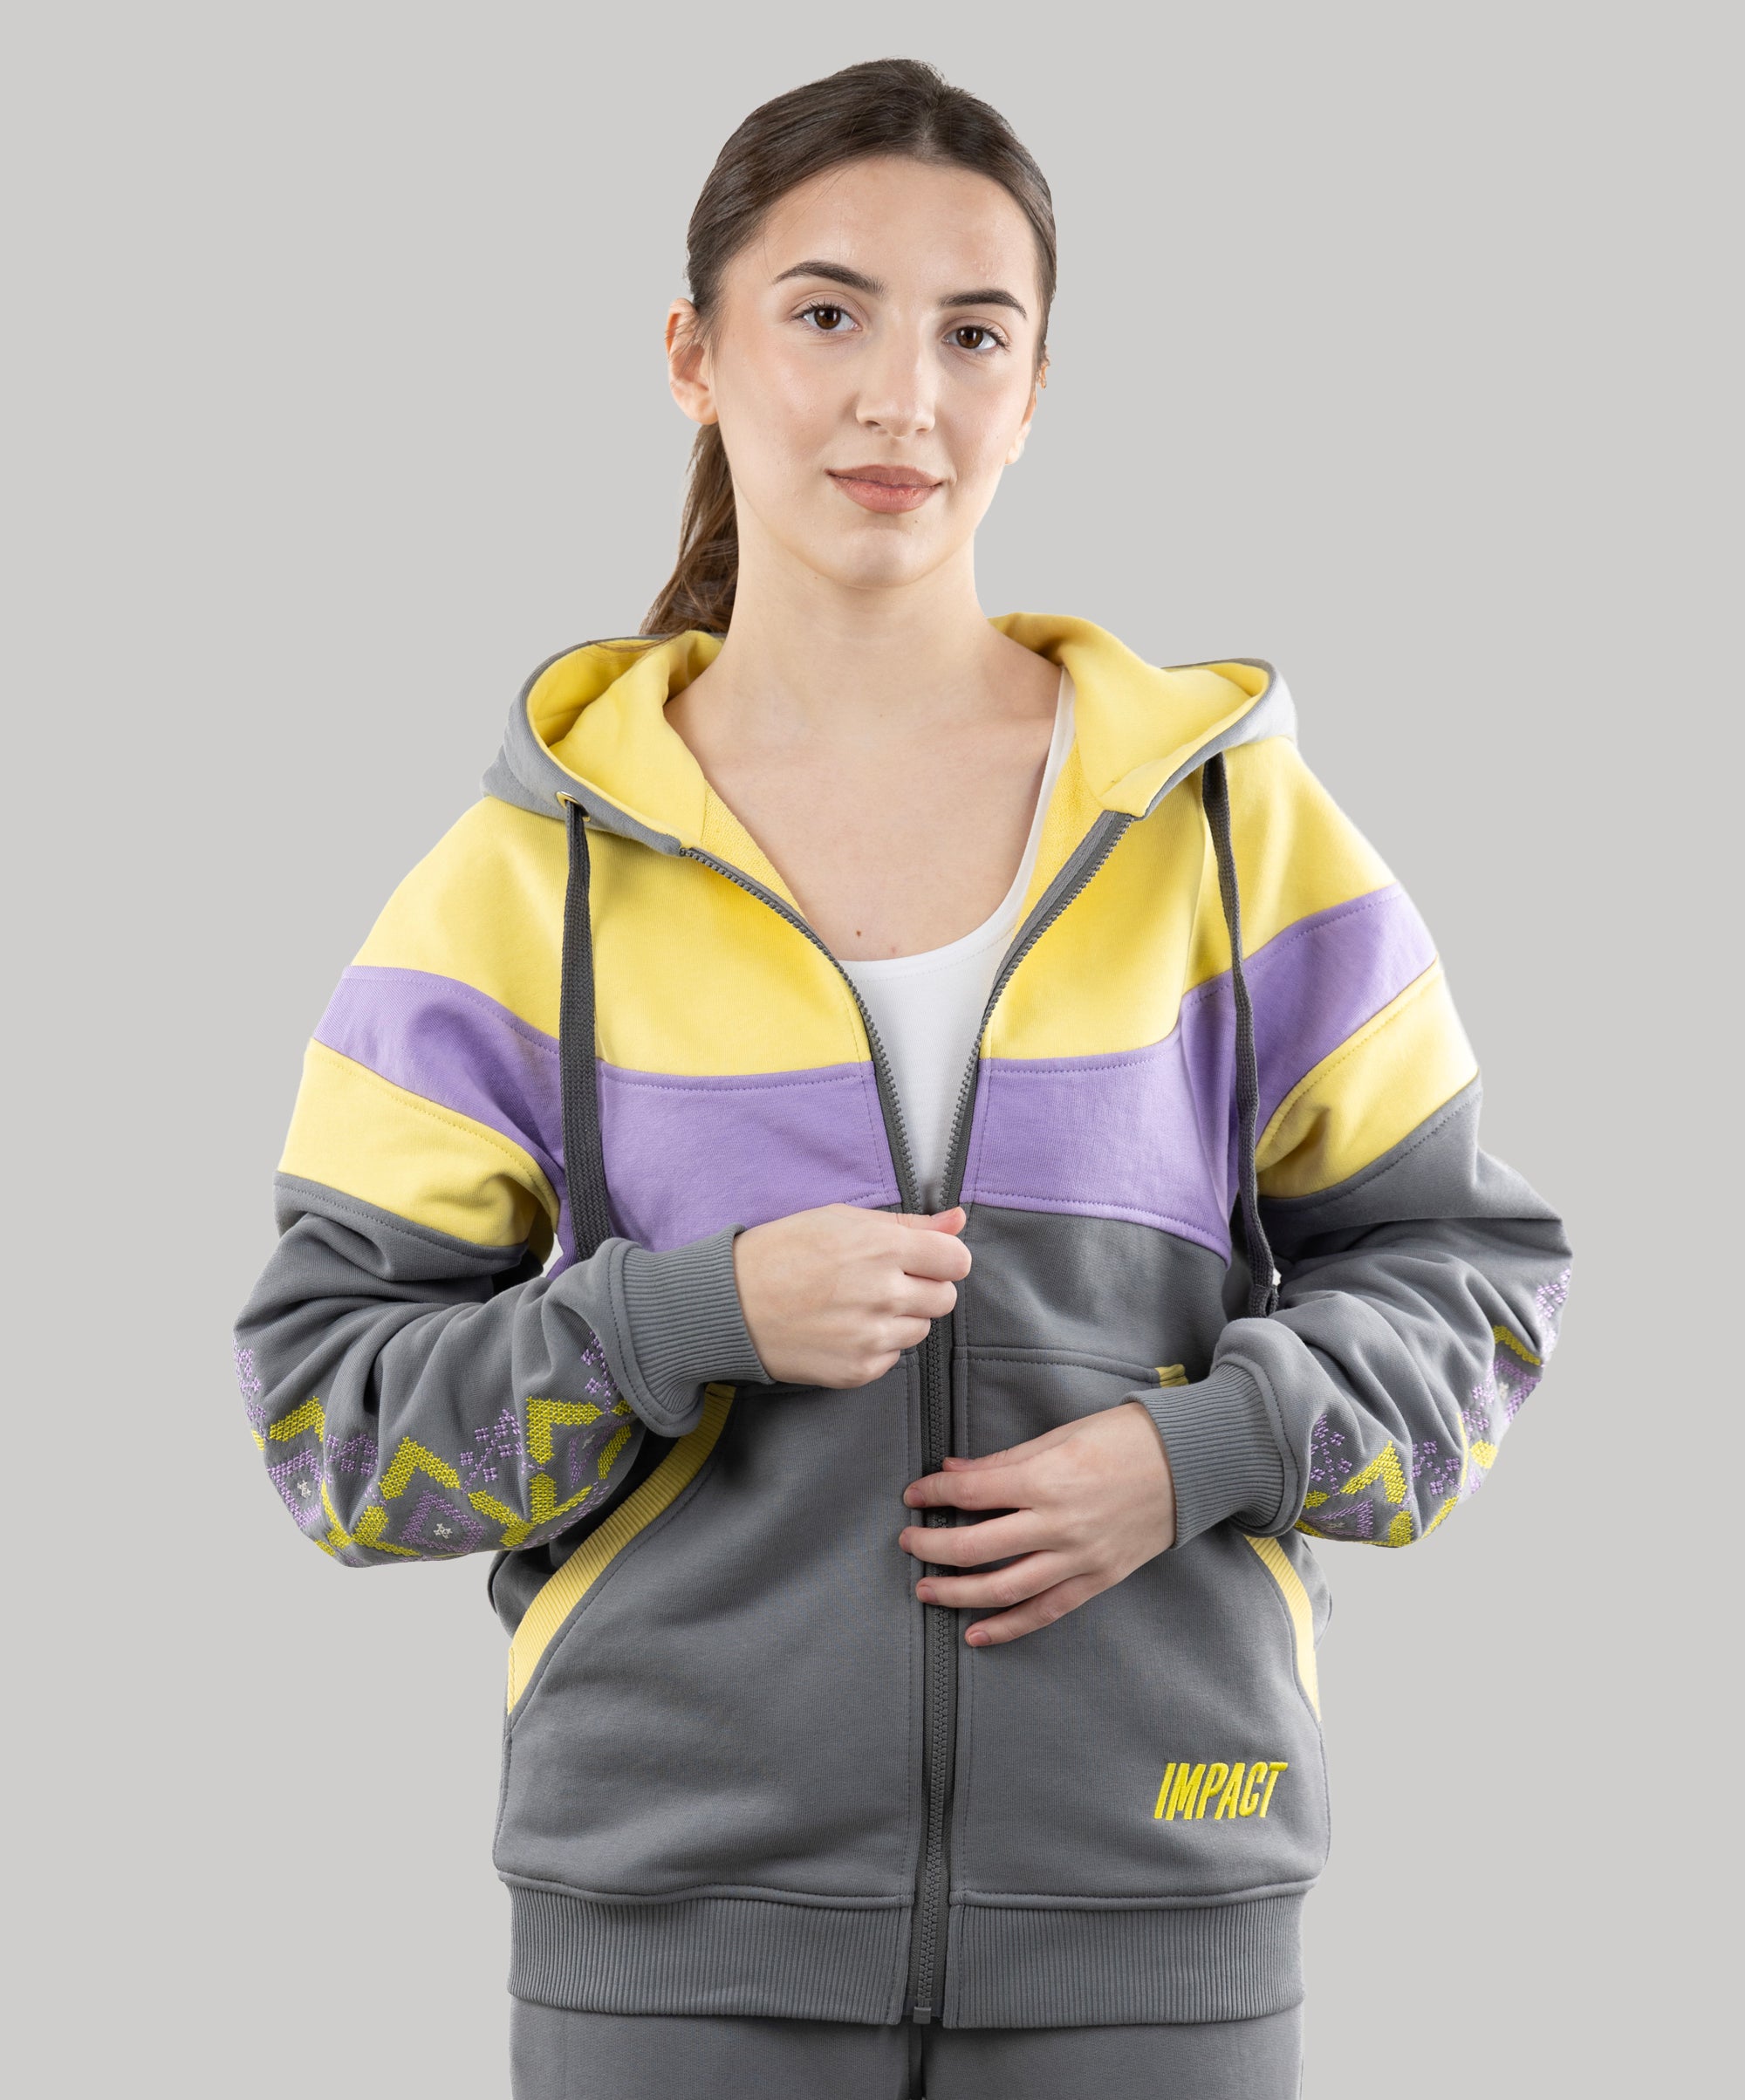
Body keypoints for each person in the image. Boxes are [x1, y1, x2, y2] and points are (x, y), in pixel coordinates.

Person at [233, 57, 1572, 2100]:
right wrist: (680, 1319)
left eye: (973, 334)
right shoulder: (520, 884)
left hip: (1161, 1887)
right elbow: (332, 1421)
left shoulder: (1236, 837)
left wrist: (1204, 1447)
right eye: (826, 313)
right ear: (693, 355)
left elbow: (1478, 1289)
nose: (900, 398)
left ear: (1035, 392)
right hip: (671, 1928)